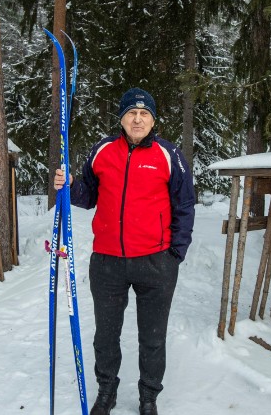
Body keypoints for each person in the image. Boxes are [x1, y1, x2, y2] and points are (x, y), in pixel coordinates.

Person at [54, 87, 196, 415]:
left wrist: (176, 253)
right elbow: (87, 195)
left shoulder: (168, 154)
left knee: (153, 337)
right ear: (121, 118)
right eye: (131, 113)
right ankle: (107, 391)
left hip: (155, 262)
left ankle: (148, 397)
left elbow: (185, 205)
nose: (137, 118)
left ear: (153, 120)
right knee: (105, 335)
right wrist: (70, 185)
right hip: (107, 262)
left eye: (144, 113)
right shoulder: (103, 151)